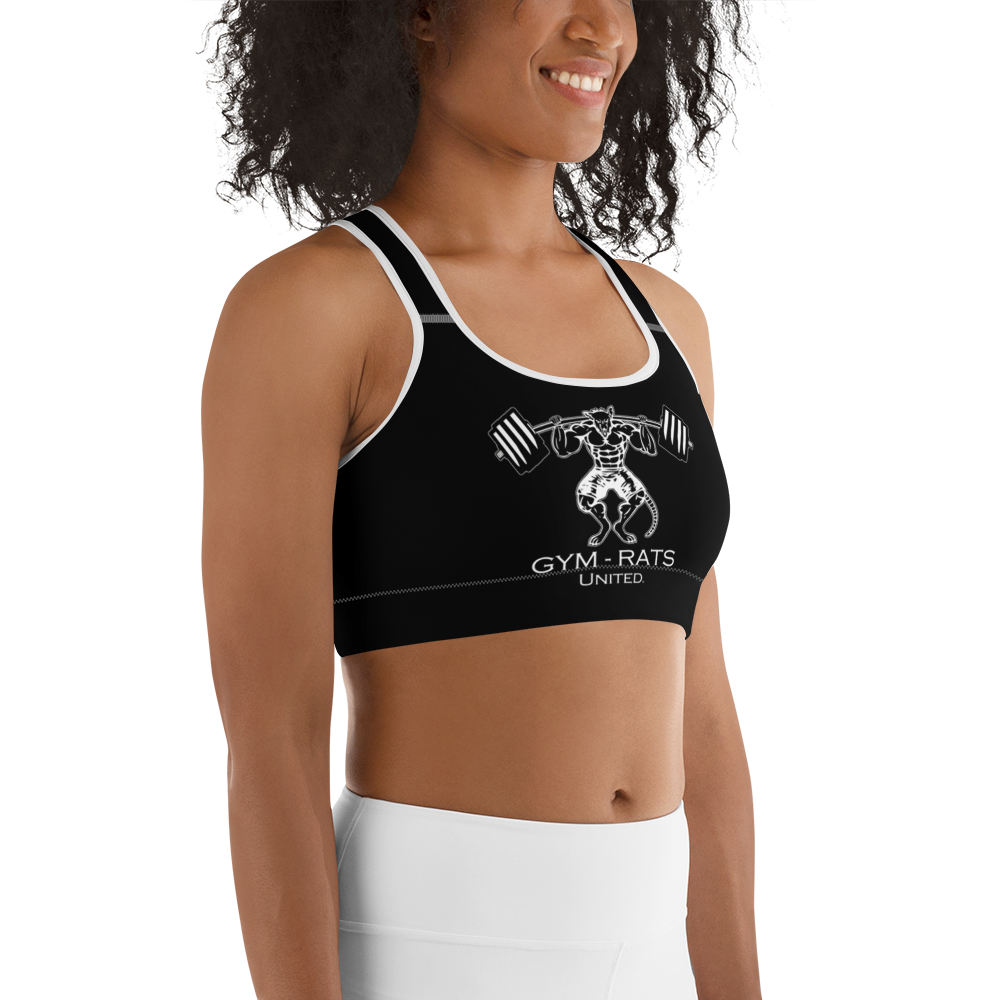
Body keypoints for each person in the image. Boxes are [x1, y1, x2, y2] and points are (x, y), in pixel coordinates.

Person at [202, 2, 786, 997]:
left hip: (656, 951)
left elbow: (704, 715)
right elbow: (273, 743)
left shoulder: (669, 323)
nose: (601, 27)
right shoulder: (317, 308)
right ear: (421, 12)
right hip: (436, 949)